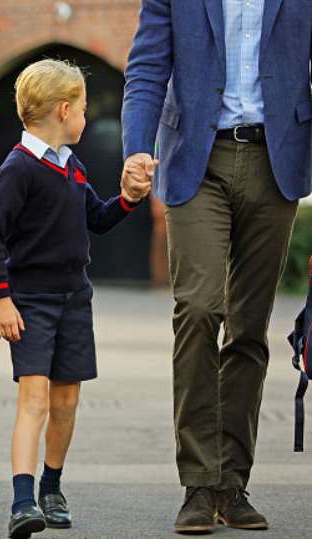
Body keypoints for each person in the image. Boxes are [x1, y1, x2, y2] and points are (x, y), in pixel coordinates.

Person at [121, 1, 311, 533]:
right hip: (195, 161)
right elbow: (147, 68)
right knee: (200, 308)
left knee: (250, 327)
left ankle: (232, 484)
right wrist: (136, 149)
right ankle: (199, 484)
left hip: (277, 161)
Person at [0, 59, 153, 539]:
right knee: (33, 399)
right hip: (30, 302)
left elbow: (96, 217)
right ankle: (21, 501)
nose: (85, 116)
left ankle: (51, 487)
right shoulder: (18, 169)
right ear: (63, 110)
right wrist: (0, 300)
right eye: (82, 109)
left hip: (76, 298)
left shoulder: (71, 166)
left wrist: (129, 200)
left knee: (67, 400)